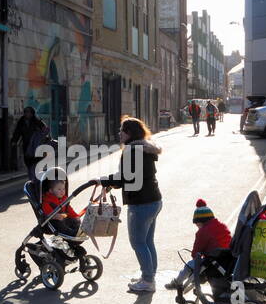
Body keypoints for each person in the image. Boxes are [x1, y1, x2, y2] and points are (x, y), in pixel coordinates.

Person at [100, 116, 162, 293]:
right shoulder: (144, 149)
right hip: (154, 200)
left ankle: (148, 281)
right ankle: (149, 275)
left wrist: (104, 181)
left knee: (138, 242)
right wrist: (111, 183)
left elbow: (125, 177)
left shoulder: (131, 151)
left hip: (141, 203)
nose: (119, 133)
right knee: (147, 241)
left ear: (129, 133)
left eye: (122, 131)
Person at [166, 199, 231, 289]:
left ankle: (177, 282)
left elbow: (196, 252)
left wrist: (195, 256)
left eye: (197, 224)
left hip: (212, 261)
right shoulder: (222, 226)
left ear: (200, 222)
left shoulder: (202, 232)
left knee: (189, 265)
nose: (197, 227)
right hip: (227, 259)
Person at [10, 106, 50, 184]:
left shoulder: (37, 121)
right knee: (28, 162)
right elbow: (17, 132)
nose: (27, 114)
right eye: (25, 112)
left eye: (28, 112)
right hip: (26, 144)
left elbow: (45, 131)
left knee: (35, 162)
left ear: (32, 113)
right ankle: (33, 178)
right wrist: (14, 140)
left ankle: (35, 178)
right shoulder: (21, 121)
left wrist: (44, 139)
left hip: (36, 146)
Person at [41, 172, 85, 239]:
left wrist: (76, 216)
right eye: (59, 189)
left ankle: (77, 231)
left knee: (75, 220)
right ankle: (71, 233)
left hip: (64, 219)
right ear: (51, 191)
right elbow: (47, 213)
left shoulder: (64, 199)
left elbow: (69, 210)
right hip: (53, 222)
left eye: (63, 189)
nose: (62, 191)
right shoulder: (47, 201)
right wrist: (55, 216)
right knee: (60, 223)